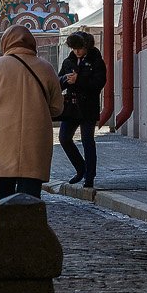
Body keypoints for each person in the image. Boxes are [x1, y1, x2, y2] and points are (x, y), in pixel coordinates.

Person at [0, 26, 64, 206]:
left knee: (2, 195)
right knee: (31, 198)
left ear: (5, 42)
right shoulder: (46, 68)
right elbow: (57, 108)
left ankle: (3, 231)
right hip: (35, 140)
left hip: (1, 142)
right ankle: (29, 232)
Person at [57, 31, 108, 189]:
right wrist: (66, 79)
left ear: (87, 47)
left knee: (87, 141)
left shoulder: (96, 61)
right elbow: (58, 82)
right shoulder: (68, 61)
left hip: (88, 107)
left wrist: (79, 80)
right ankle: (81, 168)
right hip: (71, 107)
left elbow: (98, 83)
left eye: (80, 48)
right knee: (64, 138)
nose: (77, 51)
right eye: (74, 48)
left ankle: (89, 177)